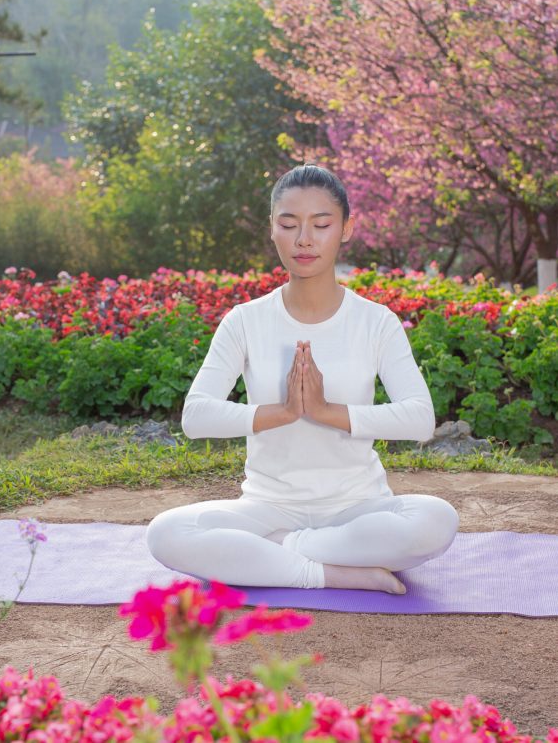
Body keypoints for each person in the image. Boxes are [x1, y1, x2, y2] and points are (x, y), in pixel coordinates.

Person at [146, 163, 460, 595]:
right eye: (289, 224)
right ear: (272, 230)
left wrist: (327, 412)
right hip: (268, 507)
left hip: (359, 508)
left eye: (321, 224)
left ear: (346, 229)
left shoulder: (375, 322)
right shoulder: (245, 321)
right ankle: (329, 573)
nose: (304, 239)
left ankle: (278, 552)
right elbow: (195, 417)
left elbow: (420, 419)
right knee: (165, 533)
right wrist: (283, 412)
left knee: (436, 521)